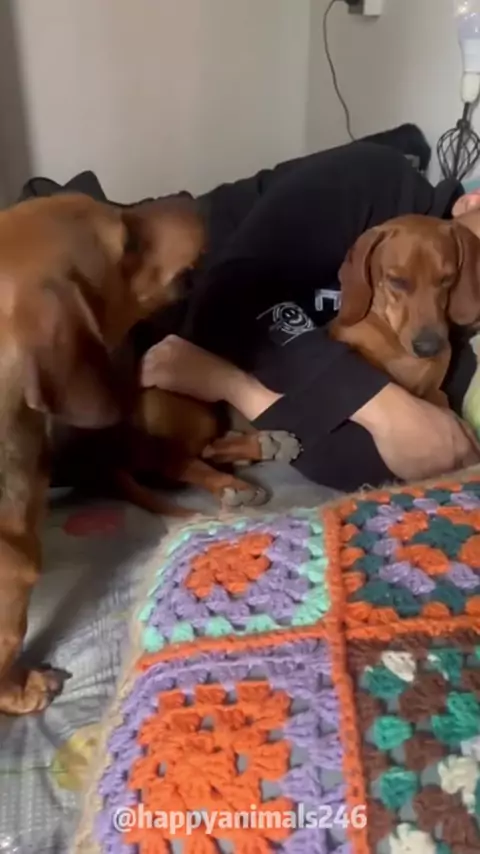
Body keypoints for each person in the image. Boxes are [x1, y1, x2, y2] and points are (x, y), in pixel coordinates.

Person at [141, 141, 480, 491]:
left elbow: (384, 461)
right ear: (473, 200)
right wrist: (378, 404)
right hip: (163, 291)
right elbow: (227, 296)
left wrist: (244, 392)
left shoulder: (452, 337)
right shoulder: (373, 178)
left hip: (231, 380)